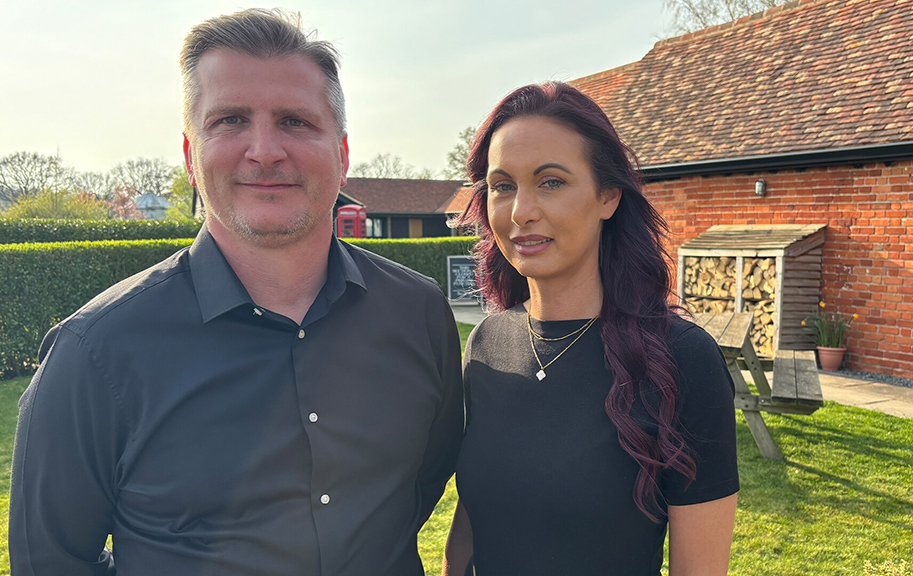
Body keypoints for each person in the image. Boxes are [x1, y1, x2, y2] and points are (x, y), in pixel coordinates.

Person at [9, 9, 463, 576]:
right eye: (230, 120)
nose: (265, 151)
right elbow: (50, 561)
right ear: (190, 157)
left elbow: (420, 486)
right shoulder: (94, 352)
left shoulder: (418, 312)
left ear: (343, 155)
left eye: (295, 121)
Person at [442, 82, 738, 576]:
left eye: (551, 182)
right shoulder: (486, 345)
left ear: (608, 196)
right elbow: (473, 523)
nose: (521, 211)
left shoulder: (681, 359)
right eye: (503, 186)